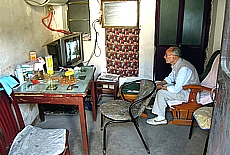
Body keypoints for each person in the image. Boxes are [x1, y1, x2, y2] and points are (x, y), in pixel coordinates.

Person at [146, 46, 200, 125]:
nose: (164, 57)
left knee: (161, 93)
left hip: (190, 94)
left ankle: (161, 118)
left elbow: (176, 89)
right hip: (183, 89)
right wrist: (161, 83)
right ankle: (156, 105)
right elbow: (171, 77)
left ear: (174, 56)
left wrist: (162, 88)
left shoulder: (184, 68)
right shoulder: (177, 64)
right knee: (157, 83)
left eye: (166, 55)